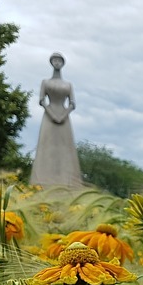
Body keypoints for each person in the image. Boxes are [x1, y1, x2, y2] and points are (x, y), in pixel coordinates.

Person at [30, 52, 82, 186]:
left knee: (65, 150)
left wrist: (63, 115)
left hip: (64, 118)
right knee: (47, 148)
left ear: (63, 63)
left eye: (59, 60)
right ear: (51, 63)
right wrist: (52, 115)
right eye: (55, 60)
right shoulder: (45, 82)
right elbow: (41, 100)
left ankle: (69, 183)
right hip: (49, 117)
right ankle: (41, 182)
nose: (57, 63)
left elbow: (72, 103)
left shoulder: (68, 84)